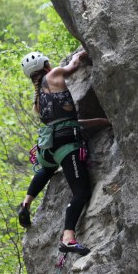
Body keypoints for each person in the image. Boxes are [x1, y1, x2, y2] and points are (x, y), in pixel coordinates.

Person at [17, 50, 110, 256]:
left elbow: (68, 122)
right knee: (81, 192)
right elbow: (73, 67)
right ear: (46, 65)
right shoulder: (54, 74)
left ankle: (26, 203)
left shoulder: (38, 101)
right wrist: (80, 54)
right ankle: (68, 238)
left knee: (47, 169)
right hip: (66, 145)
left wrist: (102, 122)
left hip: (48, 147)